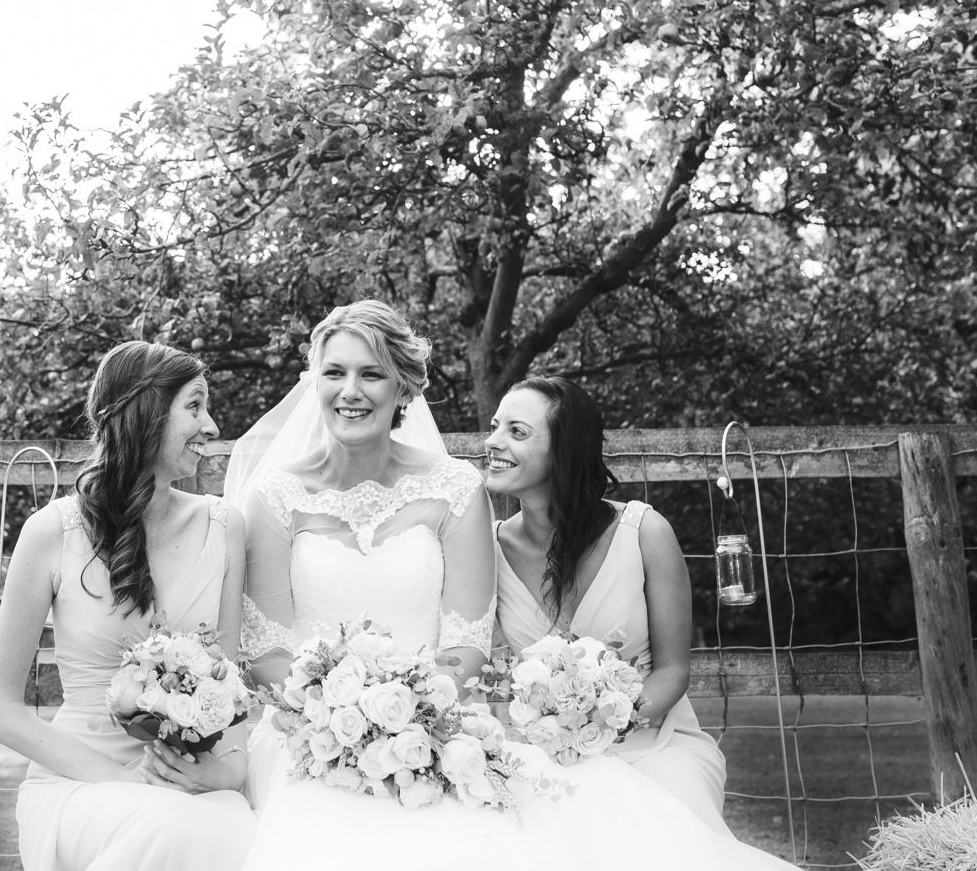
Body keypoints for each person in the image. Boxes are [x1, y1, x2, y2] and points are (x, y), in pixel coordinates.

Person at [228, 301, 798, 871]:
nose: (351, 390)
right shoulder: (275, 495)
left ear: (403, 387)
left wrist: (414, 714)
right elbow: (267, 650)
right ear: (314, 382)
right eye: (334, 373)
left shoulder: (456, 489)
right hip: (312, 730)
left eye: (371, 373)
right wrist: (348, 717)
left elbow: (467, 642)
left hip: (440, 722)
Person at [0, 340, 256, 871]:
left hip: (190, 783)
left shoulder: (225, 526)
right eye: (194, 406)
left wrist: (232, 769)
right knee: (175, 830)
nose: (213, 426)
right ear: (144, 414)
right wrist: (126, 781)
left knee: (229, 829)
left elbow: (230, 675)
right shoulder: (51, 532)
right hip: (81, 784)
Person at [484, 376, 730, 834]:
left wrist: (603, 725)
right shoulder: (489, 550)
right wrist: (550, 736)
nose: (492, 442)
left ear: (563, 449)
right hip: (539, 754)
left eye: (516, 432)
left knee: (663, 820)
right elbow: (492, 673)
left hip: (653, 743)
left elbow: (674, 670)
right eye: (496, 426)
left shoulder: (645, 532)